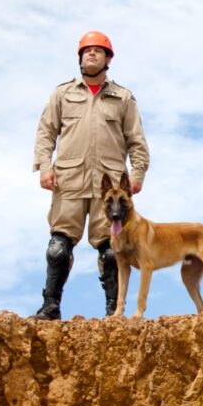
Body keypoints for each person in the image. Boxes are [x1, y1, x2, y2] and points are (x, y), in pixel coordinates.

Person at [30, 31, 150, 320]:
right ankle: (50, 306)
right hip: (68, 181)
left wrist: (138, 173)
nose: (91, 54)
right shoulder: (63, 94)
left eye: (98, 51)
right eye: (86, 51)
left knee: (111, 251)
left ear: (108, 59)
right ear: (80, 58)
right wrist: (45, 167)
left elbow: (136, 139)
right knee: (58, 248)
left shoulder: (122, 97)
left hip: (109, 188)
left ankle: (113, 310)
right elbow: (46, 132)